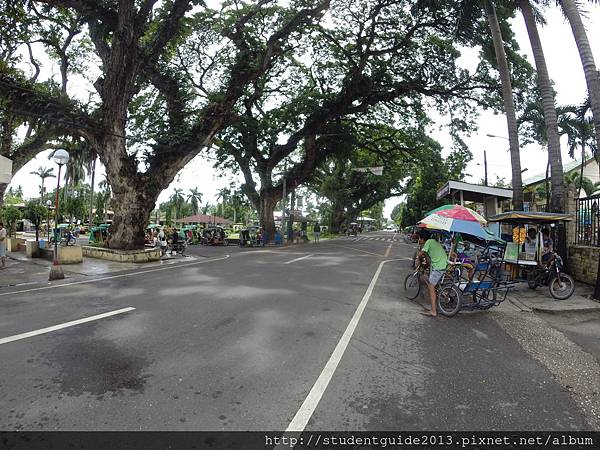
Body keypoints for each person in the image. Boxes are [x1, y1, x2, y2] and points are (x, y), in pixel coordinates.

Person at [418, 229, 448, 317]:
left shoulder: (428, 242)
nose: (419, 240)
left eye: (420, 238)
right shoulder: (433, 242)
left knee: (431, 286)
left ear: (423, 238)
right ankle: (444, 296)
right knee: (434, 283)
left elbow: (420, 254)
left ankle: (433, 311)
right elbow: (428, 258)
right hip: (442, 264)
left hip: (439, 266)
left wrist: (418, 257)